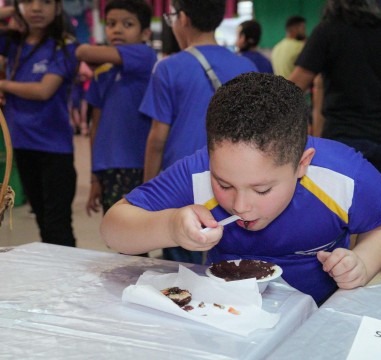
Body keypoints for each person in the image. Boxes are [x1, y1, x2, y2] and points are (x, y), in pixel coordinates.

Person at [101, 72, 381, 305]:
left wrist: (364, 262)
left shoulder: (341, 173)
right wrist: (169, 227)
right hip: (225, 313)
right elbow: (113, 229)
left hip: (319, 318)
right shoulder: (200, 172)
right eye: (224, 184)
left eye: (262, 190)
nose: (241, 206)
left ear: (302, 164)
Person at [288, 0, 381, 281]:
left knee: (346, 218)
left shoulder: (328, 31)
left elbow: (296, 82)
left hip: (343, 137)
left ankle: (349, 287)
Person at [139, 0, 256, 264]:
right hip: (233, 182)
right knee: (228, 258)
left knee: (182, 263)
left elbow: (157, 139)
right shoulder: (246, 66)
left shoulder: (168, 68)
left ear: (183, 18)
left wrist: (149, 189)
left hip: (182, 182)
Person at [0, 0, 79, 247]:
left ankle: (67, 280)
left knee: (57, 225)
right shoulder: (13, 41)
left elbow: (44, 90)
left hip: (54, 148)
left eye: (45, 2)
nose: (36, 8)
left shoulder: (65, 45)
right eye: (28, 1)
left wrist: (2, 85)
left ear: (58, 7)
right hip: (22, 144)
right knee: (43, 223)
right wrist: (13, 10)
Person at [75, 0, 156, 218]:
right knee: (115, 233)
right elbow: (96, 126)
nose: (117, 29)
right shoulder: (103, 71)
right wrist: (94, 177)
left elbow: (83, 52)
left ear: (145, 33)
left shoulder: (144, 55)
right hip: (107, 166)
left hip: (138, 164)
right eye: (110, 24)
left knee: (138, 234)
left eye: (127, 24)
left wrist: (85, 50)